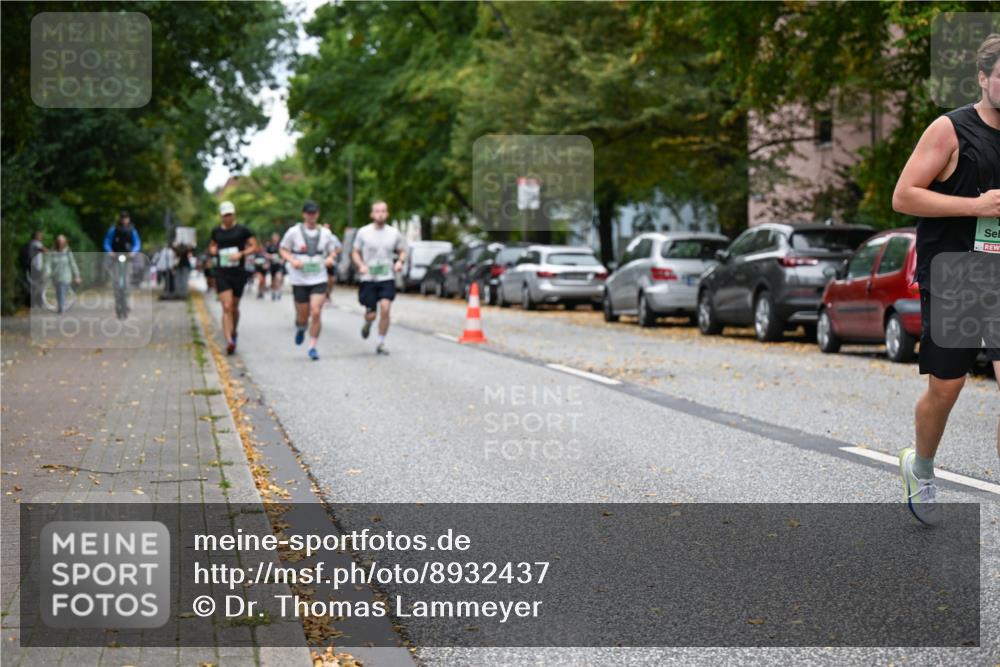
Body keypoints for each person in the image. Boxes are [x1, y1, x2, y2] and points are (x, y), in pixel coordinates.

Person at [891, 33, 1000, 525]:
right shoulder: (951, 130)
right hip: (955, 273)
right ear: (984, 79)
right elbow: (904, 196)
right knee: (947, 386)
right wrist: (975, 206)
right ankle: (922, 465)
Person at [279, 201, 341, 361]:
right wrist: (292, 260)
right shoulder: (293, 232)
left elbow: (334, 250)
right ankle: (301, 327)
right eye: (308, 213)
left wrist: (330, 258)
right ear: (304, 214)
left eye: (314, 213)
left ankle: (312, 346)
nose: (311, 216)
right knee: (303, 314)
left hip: (319, 278)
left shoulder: (326, 233)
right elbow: (283, 249)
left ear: (318, 214)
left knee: (316, 311)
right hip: (299, 279)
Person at [351, 200, 406, 355]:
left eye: (383, 211)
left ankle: (381, 342)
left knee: (385, 308)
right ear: (372, 214)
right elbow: (355, 252)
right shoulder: (363, 232)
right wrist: (360, 265)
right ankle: (368, 323)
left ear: (387, 214)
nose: (380, 214)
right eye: (377, 211)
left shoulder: (394, 233)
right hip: (368, 278)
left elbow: (402, 251)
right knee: (371, 314)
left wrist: (400, 262)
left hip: (386, 276)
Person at [208, 200, 257, 354]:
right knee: (226, 306)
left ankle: (234, 332)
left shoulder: (242, 230)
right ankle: (229, 340)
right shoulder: (216, 231)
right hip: (222, 272)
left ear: (233, 214)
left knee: (234, 307)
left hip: (238, 272)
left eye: (229, 215)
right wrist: (213, 250)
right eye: (224, 215)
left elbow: (255, 245)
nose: (227, 218)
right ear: (221, 216)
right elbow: (212, 245)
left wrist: (241, 254)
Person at [103, 210, 141, 319]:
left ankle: (126, 304)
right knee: (116, 283)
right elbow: (107, 242)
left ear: (128, 219)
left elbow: (137, 243)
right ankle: (117, 304)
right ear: (120, 219)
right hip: (116, 258)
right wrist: (110, 251)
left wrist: (133, 253)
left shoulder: (132, 231)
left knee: (127, 283)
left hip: (127, 258)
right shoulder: (113, 230)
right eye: (122, 218)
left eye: (126, 218)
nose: (124, 220)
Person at [44, 235, 81, 313]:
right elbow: (48, 263)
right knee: (59, 291)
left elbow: (73, 263)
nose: (61, 243)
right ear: (57, 242)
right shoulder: (52, 252)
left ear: (65, 242)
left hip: (66, 275)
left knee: (61, 289)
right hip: (55, 276)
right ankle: (62, 304)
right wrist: (47, 272)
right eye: (59, 241)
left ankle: (61, 308)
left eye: (62, 241)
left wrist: (77, 275)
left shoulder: (68, 251)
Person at [19, 230, 46, 307]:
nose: (42, 236)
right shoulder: (36, 243)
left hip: (33, 267)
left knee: (35, 285)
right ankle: (38, 302)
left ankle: (33, 303)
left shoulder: (31, 243)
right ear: (36, 236)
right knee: (39, 284)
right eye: (40, 235)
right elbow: (44, 250)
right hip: (35, 268)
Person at [264, 232, 285, 300]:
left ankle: (279, 291)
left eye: (276, 237)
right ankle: (273, 292)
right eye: (274, 237)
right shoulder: (270, 246)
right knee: (273, 279)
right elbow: (265, 254)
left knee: (279, 277)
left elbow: (286, 253)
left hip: (280, 265)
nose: (275, 238)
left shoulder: (282, 245)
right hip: (273, 265)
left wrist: (283, 259)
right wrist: (270, 256)